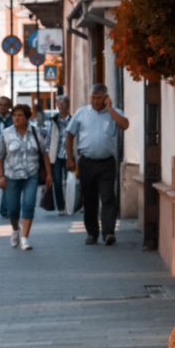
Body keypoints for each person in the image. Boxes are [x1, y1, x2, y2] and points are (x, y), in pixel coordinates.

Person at [65, 83, 129, 245]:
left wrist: (110, 109)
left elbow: (125, 125)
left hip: (107, 163)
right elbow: (69, 135)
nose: (95, 101)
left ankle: (108, 233)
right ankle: (92, 233)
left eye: (99, 98)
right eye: (93, 97)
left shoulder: (114, 113)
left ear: (106, 98)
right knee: (90, 199)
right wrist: (69, 158)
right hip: (86, 162)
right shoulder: (82, 113)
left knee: (108, 198)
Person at [0, 104, 52, 250]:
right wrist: (0, 176)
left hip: (31, 175)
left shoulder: (35, 132)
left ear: (27, 117)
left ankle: (25, 238)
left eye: (20, 115)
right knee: (13, 209)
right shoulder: (6, 133)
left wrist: (49, 174)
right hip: (11, 176)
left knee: (28, 205)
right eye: (14, 115)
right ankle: (15, 229)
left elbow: (44, 153)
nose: (16, 118)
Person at [46, 95, 73, 215]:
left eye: (63, 104)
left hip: (69, 156)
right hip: (55, 156)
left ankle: (70, 205)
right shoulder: (53, 121)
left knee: (70, 182)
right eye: (59, 104)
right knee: (57, 182)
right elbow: (48, 137)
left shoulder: (73, 120)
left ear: (68, 106)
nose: (61, 107)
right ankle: (61, 207)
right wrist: (47, 151)